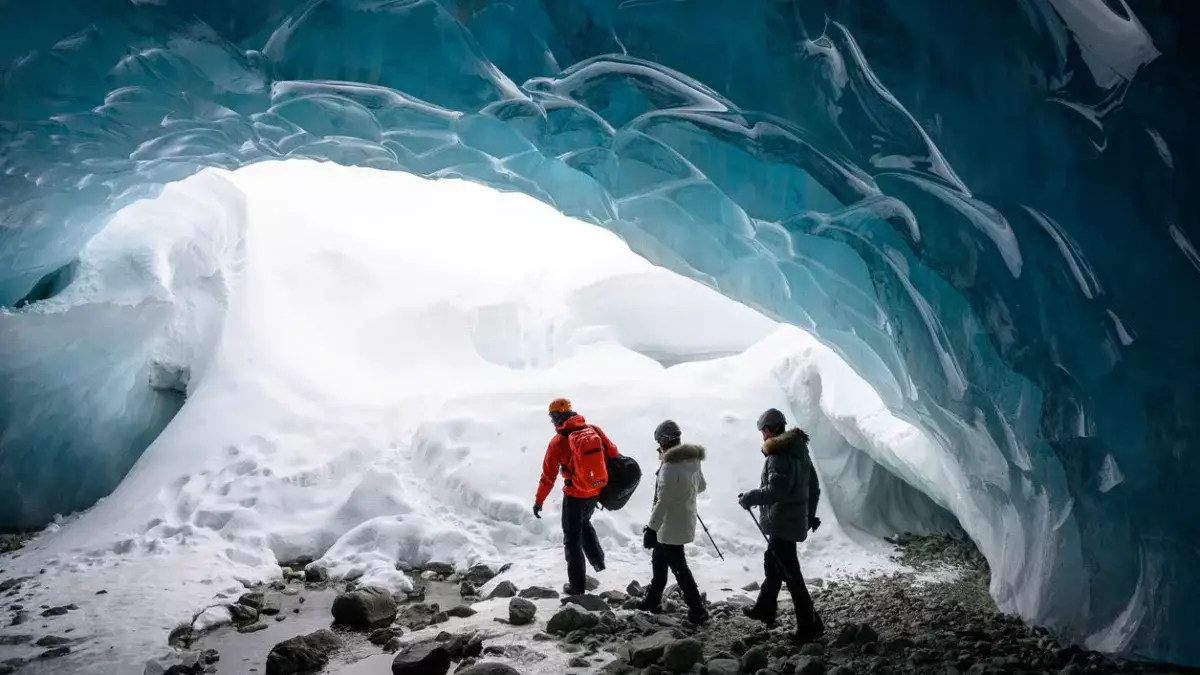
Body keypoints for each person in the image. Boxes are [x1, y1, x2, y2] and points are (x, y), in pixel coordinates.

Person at [737, 407, 825, 641]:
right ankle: (764, 609)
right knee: (774, 564)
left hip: (782, 522)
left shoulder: (778, 455)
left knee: (791, 574)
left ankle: (809, 624)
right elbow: (814, 488)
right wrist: (809, 516)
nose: (762, 435)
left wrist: (749, 498)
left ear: (772, 429)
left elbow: (777, 491)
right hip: (793, 521)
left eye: (763, 430)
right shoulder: (800, 452)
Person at [533, 398, 620, 595]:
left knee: (571, 539)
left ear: (556, 417)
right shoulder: (593, 430)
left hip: (574, 495)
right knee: (584, 523)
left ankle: (577, 586)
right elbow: (613, 452)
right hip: (595, 491)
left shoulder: (558, 442)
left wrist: (539, 501)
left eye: (552, 417)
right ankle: (598, 563)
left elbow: (548, 477)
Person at [637, 420, 709, 624]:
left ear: (664, 441)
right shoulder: (692, 460)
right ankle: (653, 600)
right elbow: (701, 486)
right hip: (683, 519)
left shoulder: (669, 468)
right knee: (659, 560)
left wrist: (651, 528)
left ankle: (697, 609)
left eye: (658, 442)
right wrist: (684, 493)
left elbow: (663, 502)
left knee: (679, 567)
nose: (658, 446)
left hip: (669, 525)